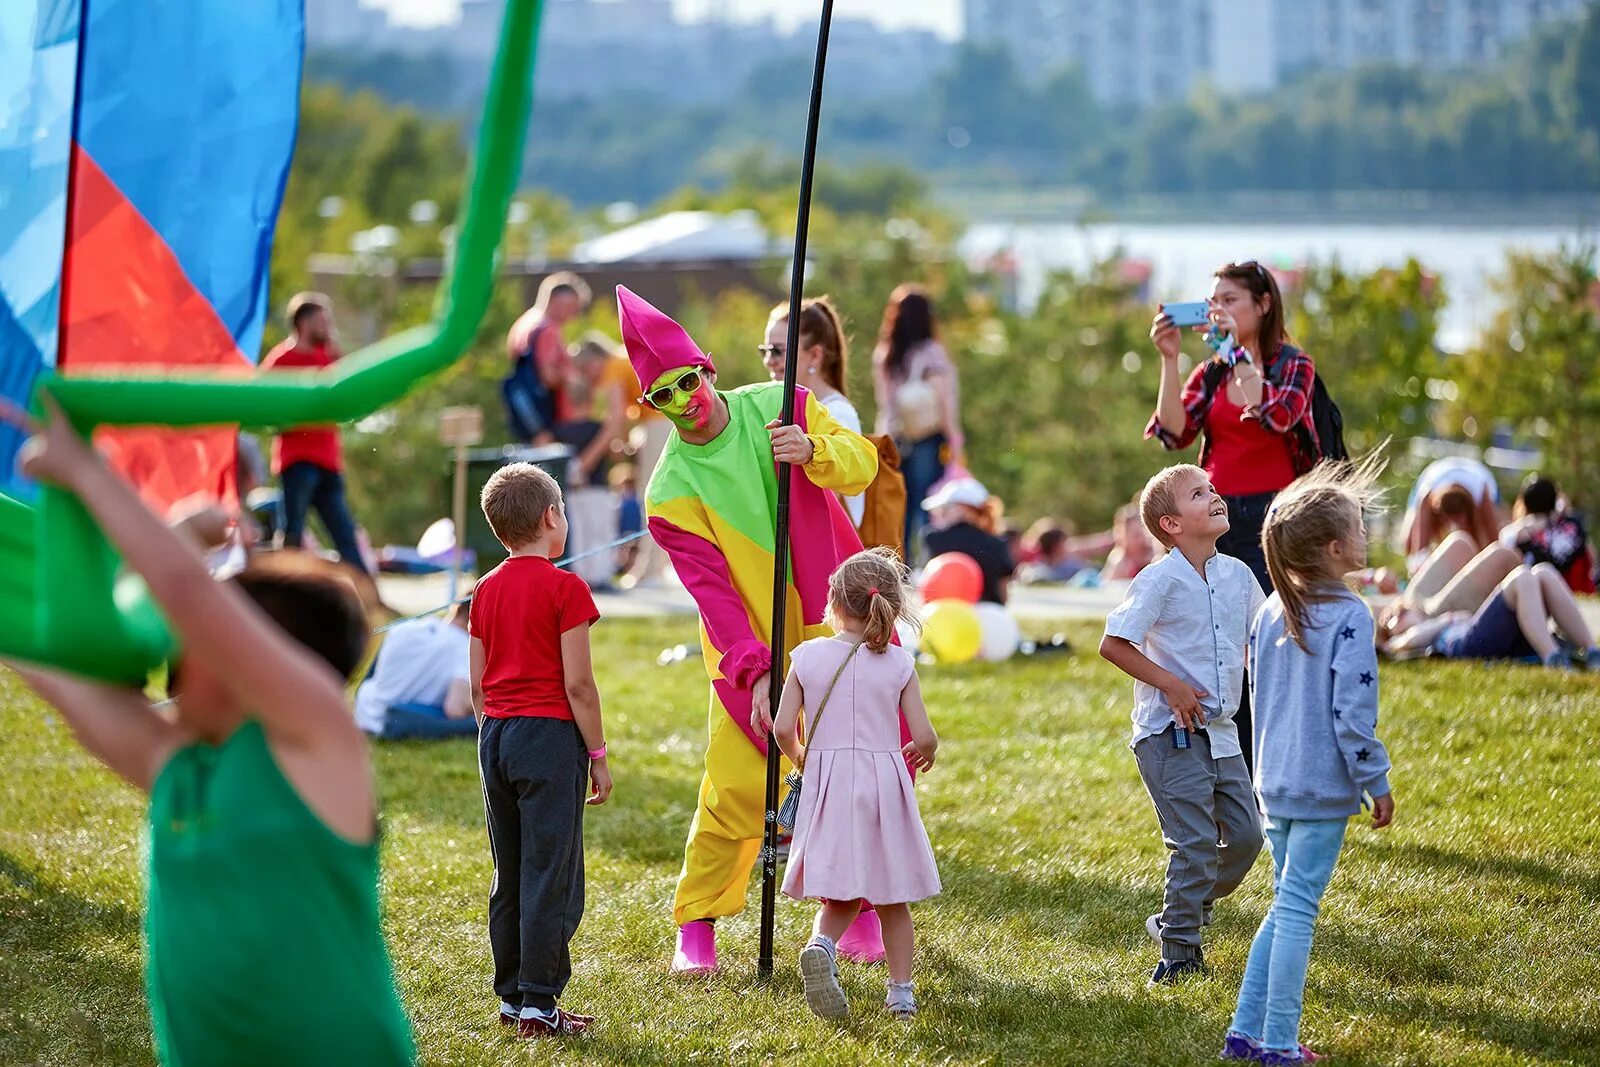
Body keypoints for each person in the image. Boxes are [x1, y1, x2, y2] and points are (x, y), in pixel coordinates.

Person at [1, 396, 416, 1065]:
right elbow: (55, 666)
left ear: (242, 653)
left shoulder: (317, 735)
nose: (173, 641)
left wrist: (89, 472)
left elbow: (186, 594)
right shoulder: (180, 765)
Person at [612, 285, 887, 974]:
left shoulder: (783, 403)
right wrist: (754, 667)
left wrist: (813, 449)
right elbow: (712, 593)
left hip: (836, 622)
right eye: (667, 394)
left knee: (855, 772)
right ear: (653, 405)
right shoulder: (671, 491)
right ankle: (697, 924)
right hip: (747, 645)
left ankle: (855, 911)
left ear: (706, 369)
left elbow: (865, 461)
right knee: (735, 783)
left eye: (690, 379)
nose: (688, 398)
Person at [1222, 460, 1395, 1065]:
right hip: (1320, 789)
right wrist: (1376, 780)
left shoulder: (1272, 611)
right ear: (1333, 547)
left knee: (1283, 902)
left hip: (1273, 784)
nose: (1366, 536)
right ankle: (1277, 1044)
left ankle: (1245, 1033)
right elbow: (1354, 713)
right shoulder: (1348, 615)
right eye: (1359, 526)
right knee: (1297, 909)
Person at [1100, 464, 1266, 985]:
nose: (1215, 496)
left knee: (1246, 838)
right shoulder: (1159, 580)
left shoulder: (1238, 575)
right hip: (1168, 737)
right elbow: (1113, 643)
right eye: (1200, 493)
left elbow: (1263, 640)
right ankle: (1178, 953)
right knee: (1194, 843)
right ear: (1171, 524)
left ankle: (1182, 908)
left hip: (1222, 733)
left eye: (1213, 488)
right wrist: (1170, 684)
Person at [469, 462, 613, 1038]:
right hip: (550, 738)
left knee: (511, 869)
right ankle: (539, 1004)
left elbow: (477, 683)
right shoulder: (566, 588)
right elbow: (578, 684)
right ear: (553, 517)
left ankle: (511, 998)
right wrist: (597, 752)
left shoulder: (484, 588)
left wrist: (493, 729)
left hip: (497, 734)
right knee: (550, 873)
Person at [774, 549, 940, 1021]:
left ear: (833, 603)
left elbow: (784, 728)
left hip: (829, 787)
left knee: (841, 891)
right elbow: (923, 735)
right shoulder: (897, 664)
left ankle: (822, 945)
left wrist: (803, 759)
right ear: (888, 606)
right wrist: (923, 752)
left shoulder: (806, 657)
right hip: (882, 787)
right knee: (892, 895)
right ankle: (901, 994)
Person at [1147, 262, 1319, 592]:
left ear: (1263, 304)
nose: (1219, 310)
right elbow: (1174, 433)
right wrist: (1169, 359)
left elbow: (1278, 416)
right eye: (1214, 302)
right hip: (1214, 513)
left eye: (1230, 300)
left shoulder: (1293, 364)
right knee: (1214, 610)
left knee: (1268, 609)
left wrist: (1235, 352)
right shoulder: (1212, 373)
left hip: (1275, 513)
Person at [261, 292, 370, 577]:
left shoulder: (329, 357)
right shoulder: (280, 361)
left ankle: (368, 599)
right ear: (304, 322)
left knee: (344, 534)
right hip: (297, 461)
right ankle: (282, 590)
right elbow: (265, 412)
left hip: (328, 461)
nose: (328, 327)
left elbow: (348, 402)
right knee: (293, 533)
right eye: (322, 321)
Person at [872, 285, 964, 554]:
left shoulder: (885, 355)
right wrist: (955, 439)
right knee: (928, 503)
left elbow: (885, 404)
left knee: (899, 506)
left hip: (894, 437)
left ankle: (900, 566)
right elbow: (946, 401)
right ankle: (928, 565)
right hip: (927, 437)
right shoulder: (933, 353)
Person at [762, 297, 866, 527]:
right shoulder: (783, 409)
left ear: (815, 355)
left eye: (778, 351)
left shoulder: (838, 414)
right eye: (765, 351)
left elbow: (825, 502)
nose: (769, 361)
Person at [1380, 562, 1599, 670]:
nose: (1398, 613)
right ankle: (1553, 658)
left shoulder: (1431, 620)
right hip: (1468, 645)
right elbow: (1395, 647)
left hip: (1487, 637)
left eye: (1402, 609)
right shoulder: (1411, 637)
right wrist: (1446, 620)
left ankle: (1591, 651)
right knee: (1521, 577)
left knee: (1543, 572)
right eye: (1392, 619)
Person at [557, 335, 630, 592]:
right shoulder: (598, 428)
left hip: (574, 492)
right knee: (601, 532)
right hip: (598, 490)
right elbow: (614, 452)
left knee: (579, 534)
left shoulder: (560, 431)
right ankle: (601, 576)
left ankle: (581, 578)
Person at [354, 597, 476, 740]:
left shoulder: (404, 628)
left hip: (365, 710)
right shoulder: (466, 649)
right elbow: (455, 709)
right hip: (399, 720)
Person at [504, 273, 592, 444]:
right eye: (573, 307)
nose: (573, 315)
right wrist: (570, 376)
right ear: (558, 301)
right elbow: (548, 375)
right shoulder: (547, 328)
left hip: (524, 411)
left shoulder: (525, 322)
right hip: (542, 417)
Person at [922, 477, 1016, 605]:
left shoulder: (933, 539)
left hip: (944, 613)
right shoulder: (997, 544)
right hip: (988, 615)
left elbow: (928, 584)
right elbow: (1003, 591)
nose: (940, 515)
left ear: (961, 509)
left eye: (944, 509)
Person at [1500, 475, 1595, 595]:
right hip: (1577, 590)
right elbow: (1591, 558)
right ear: (1555, 500)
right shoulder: (1573, 525)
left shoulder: (1515, 534)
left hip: (1535, 592)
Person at [1400, 455, 1501, 568]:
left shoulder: (1481, 492)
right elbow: (1418, 552)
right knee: (1408, 543)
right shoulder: (1427, 494)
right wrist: (1418, 564)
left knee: (1477, 544)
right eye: (1447, 519)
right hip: (1435, 475)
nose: (1451, 525)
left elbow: (1495, 543)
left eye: (1457, 519)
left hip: (1476, 475)